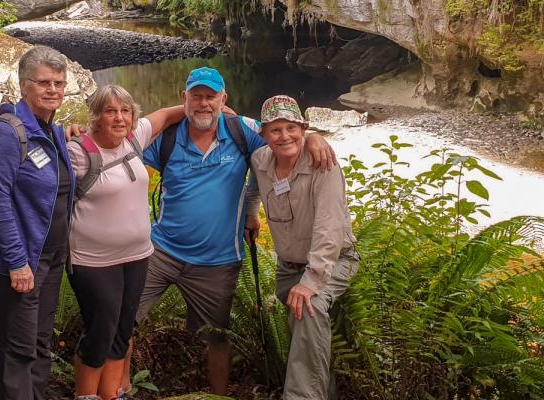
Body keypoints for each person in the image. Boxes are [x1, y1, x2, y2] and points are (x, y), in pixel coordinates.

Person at [127, 67, 334, 396]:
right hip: (161, 250)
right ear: (185, 99)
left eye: (211, 96)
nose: (203, 103)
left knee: (218, 336)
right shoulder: (168, 137)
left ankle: (217, 395)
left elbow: (281, 137)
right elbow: (122, 148)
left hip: (218, 260)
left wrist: (313, 137)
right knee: (124, 322)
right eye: (196, 96)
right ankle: (118, 389)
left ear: (224, 99)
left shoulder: (243, 130)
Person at [66, 85, 185, 400]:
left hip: (136, 256)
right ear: (95, 117)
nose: (119, 118)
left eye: (125, 111)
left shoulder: (134, 139)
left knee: (122, 329)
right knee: (100, 330)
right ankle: (86, 395)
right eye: (110, 111)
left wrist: (211, 109)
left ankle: (112, 393)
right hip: (92, 261)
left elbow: (167, 114)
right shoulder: (78, 151)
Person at [0, 45, 75, 400]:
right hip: (16, 261)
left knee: (40, 342)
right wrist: (17, 262)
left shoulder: (53, 131)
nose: (53, 90)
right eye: (44, 82)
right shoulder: (7, 133)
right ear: (24, 85)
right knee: (19, 349)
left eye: (59, 83)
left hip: (49, 258)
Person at [247, 95, 359, 400]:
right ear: (264, 134)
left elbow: (329, 229)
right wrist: (250, 213)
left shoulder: (324, 165)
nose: (284, 136)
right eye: (275, 130)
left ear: (303, 128)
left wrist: (311, 282)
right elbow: (252, 189)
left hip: (334, 260)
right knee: (306, 334)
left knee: (308, 310)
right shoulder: (260, 161)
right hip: (288, 266)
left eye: (291, 128)